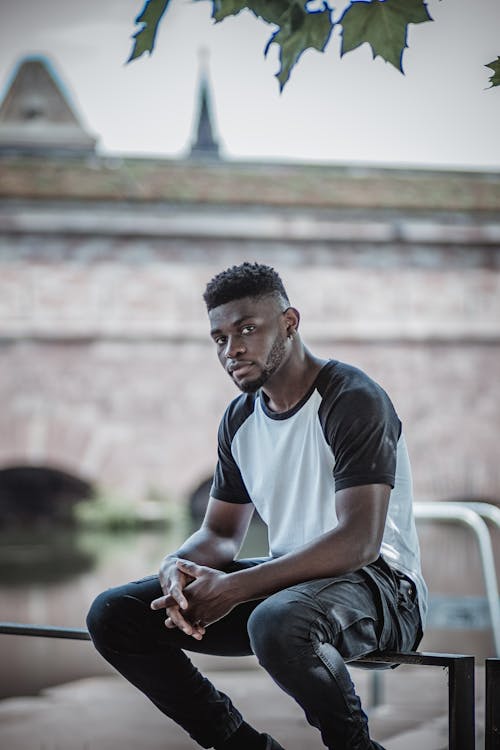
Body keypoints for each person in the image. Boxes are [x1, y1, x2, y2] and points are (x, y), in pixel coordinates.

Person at [87, 262, 427, 750]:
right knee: (114, 614)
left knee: (276, 620)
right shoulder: (241, 417)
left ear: (289, 323)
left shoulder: (351, 398)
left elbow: (360, 541)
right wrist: (175, 567)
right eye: (220, 338)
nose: (233, 350)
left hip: (382, 590)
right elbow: (221, 534)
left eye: (247, 329)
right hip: (289, 587)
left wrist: (235, 587)